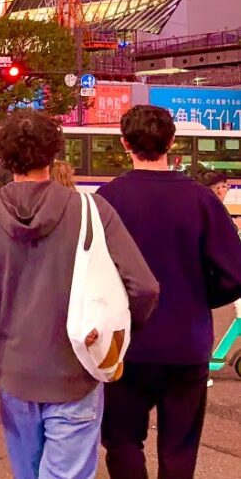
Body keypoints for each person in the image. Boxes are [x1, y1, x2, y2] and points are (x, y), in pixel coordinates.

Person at [0, 111, 159, 478]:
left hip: (15, 374)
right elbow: (144, 287)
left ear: (4, 156)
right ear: (54, 153)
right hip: (75, 369)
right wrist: (119, 332)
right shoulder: (91, 209)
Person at [96, 105, 241, 479]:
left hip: (124, 342)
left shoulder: (105, 200)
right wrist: (197, 296)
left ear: (124, 143)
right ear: (172, 142)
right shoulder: (202, 199)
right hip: (186, 341)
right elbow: (235, 273)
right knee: (179, 446)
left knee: (123, 439)